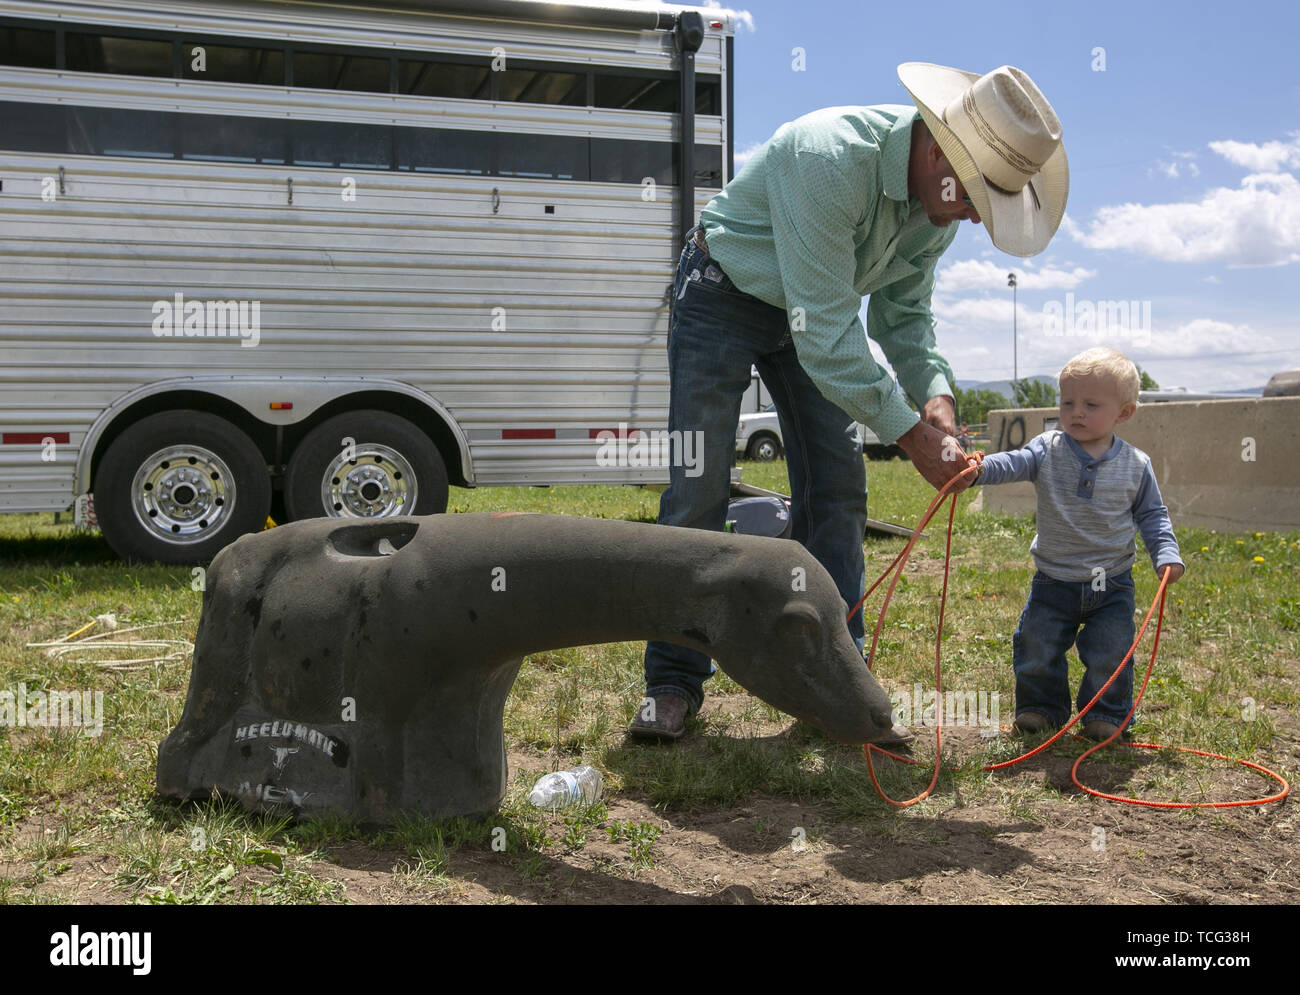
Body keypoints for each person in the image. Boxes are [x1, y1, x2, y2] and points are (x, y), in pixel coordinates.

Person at [629, 63, 1070, 741]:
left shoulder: (938, 208)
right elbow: (830, 333)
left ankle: (836, 677)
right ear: (936, 149)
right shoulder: (828, 157)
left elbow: (902, 317)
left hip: (811, 313)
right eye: (974, 196)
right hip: (723, 291)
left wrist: (937, 400)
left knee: (838, 487)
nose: (972, 216)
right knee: (698, 490)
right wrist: (911, 438)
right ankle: (672, 682)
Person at [971, 348, 1185, 740]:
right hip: (1054, 578)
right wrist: (980, 469)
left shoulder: (1136, 464)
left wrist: (1166, 553)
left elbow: (1153, 514)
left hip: (1111, 582)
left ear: (1124, 413)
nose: (1076, 413)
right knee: (1037, 646)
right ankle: (1040, 709)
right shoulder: (1047, 448)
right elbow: (1013, 462)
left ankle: (1105, 714)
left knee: (1111, 652)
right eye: (1067, 402)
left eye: (1090, 404)